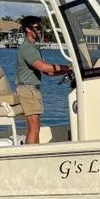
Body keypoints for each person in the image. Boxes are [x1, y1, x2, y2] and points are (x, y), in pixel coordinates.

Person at [16, 16, 71, 144]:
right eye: (37, 28)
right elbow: (42, 67)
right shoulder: (27, 48)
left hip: (33, 90)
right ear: (28, 29)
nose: (40, 31)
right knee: (34, 127)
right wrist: (66, 67)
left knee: (36, 127)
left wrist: (67, 70)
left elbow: (48, 72)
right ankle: (30, 154)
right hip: (28, 90)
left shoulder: (33, 48)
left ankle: (35, 151)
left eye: (41, 28)